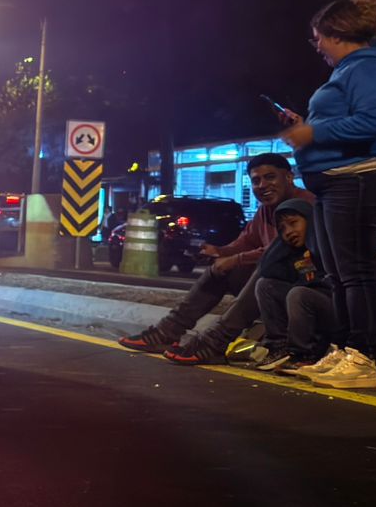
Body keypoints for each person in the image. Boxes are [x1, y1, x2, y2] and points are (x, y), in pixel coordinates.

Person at [278, 0, 376, 390]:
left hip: (355, 179)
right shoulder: (348, 71)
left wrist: (312, 130)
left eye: (317, 36)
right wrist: (307, 123)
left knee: (356, 274)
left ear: (336, 32)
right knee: (338, 275)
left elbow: (374, 120)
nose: (316, 45)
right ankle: (344, 350)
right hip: (333, 184)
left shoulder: (366, 67)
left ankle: (366, 357)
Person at [119, 154, 310, 359]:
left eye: (270, 177)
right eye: (256, 181)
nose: (263, 185)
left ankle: (215, 342)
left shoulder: (304, 205)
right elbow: (246, 241)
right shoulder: (265, 211)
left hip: (302, 287)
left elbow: (277, 252)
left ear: (289, 177)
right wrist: (218, 251)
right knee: (218, 271)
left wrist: (234, 259)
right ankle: (167, 332)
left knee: (260, 275)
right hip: (275, 285)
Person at [248, 199, 336, 374]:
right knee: (265, 285)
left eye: (293, 223)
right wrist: (280, 245)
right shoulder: (293, 254)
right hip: (310, 309)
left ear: (310, 220)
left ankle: (304, 355)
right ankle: (279, 347)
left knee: (299, 293)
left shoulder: (329, 243)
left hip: (338, 310)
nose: (288, 232)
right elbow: (267, 269)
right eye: (282, 229)